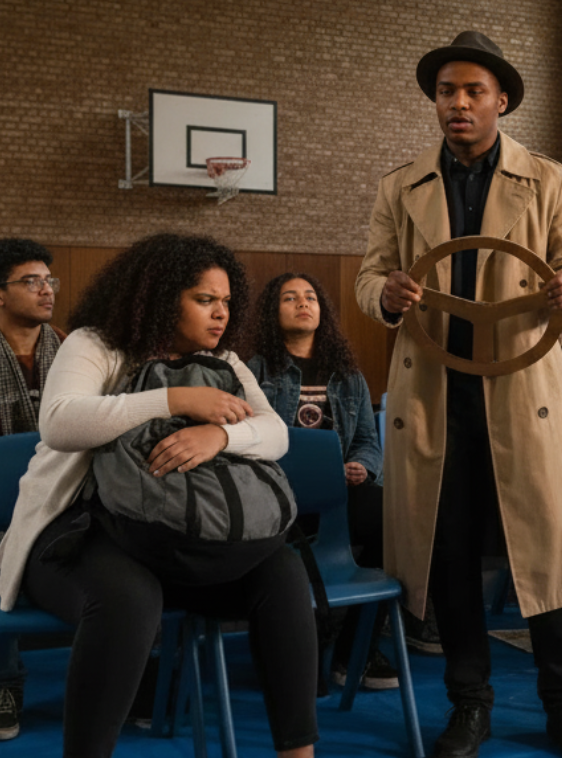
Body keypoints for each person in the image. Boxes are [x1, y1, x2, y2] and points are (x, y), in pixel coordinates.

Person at [355, 31, 562, 758]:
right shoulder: (399, 186)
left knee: (545, 554)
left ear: (501, 100)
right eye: (445, 92)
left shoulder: (549, 179)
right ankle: (469, 705)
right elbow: (370, 277)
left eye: (472, 92)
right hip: (435, 392)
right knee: (451, 552)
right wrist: (389, 295)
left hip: (522, 388)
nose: (457, 104)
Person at [0, 233, 318, 758]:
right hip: (74, 533)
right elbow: (59, 424)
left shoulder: (226, 361)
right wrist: (173, 398)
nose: (220, 315)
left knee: (281, 572)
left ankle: (298, 753)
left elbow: (276, 433)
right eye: (204, 300)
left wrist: (219, 435)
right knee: (128, 598)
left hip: (167, 539)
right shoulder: (96, 343)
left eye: (226, 303)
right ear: (160, 294)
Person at [247, 272, 397, 690]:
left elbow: (368, 440)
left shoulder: (346, 373)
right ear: (271, 313)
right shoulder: (253, 370)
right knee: (300, 683)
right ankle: (294, 643)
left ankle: (356, 652)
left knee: (395, 519)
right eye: (289, 298)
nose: (302, 303)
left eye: (310, 296)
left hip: (336, 499)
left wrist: (362, 467)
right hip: (275, 502)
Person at [0, 237, 66, 740]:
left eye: (49, 281)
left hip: (57, 495)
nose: (46, 290)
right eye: (31, 281)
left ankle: (139, 678)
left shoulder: (66, 349)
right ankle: (5, 685)